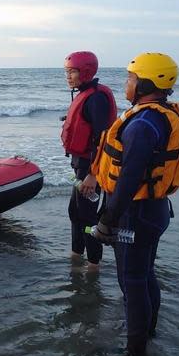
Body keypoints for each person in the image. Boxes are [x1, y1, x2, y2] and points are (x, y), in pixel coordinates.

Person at [90, 52, 179, 356]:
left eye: (130, 78)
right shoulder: (160, 114)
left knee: (133, 279)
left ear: (146, 83)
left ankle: (135, 350)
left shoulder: (143, 124)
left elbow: (129, 179)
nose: (126, 83)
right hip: (155, 210)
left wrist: (107, 220)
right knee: (145, 272)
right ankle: (148, 330)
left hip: (136, 214)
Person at [60, 51, 117, 271]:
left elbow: (101, 139)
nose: (68, 76)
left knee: (87, 218)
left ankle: (93, 262)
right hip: (81, 166)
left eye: (71, 72)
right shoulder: (84, 94)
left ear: (85, 71)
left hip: (92, 169)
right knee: (75, 212)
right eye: (66, 72)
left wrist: (94, 175)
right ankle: (76, 253)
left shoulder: (96, 98)